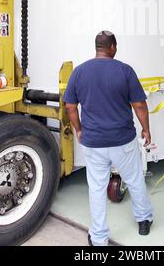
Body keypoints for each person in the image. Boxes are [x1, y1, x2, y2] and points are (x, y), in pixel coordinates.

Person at [63, 31, 153, 246]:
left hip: (94, 141)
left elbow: (70, 106)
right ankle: (143, 220)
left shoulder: (79, 72)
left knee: (96, 188)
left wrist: (79, 129)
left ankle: (99, 238)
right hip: (122, 139)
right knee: (134, 180)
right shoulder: (125, 70)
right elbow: (139, 104)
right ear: (112, 46)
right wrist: (146, 129)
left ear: (97, 47)